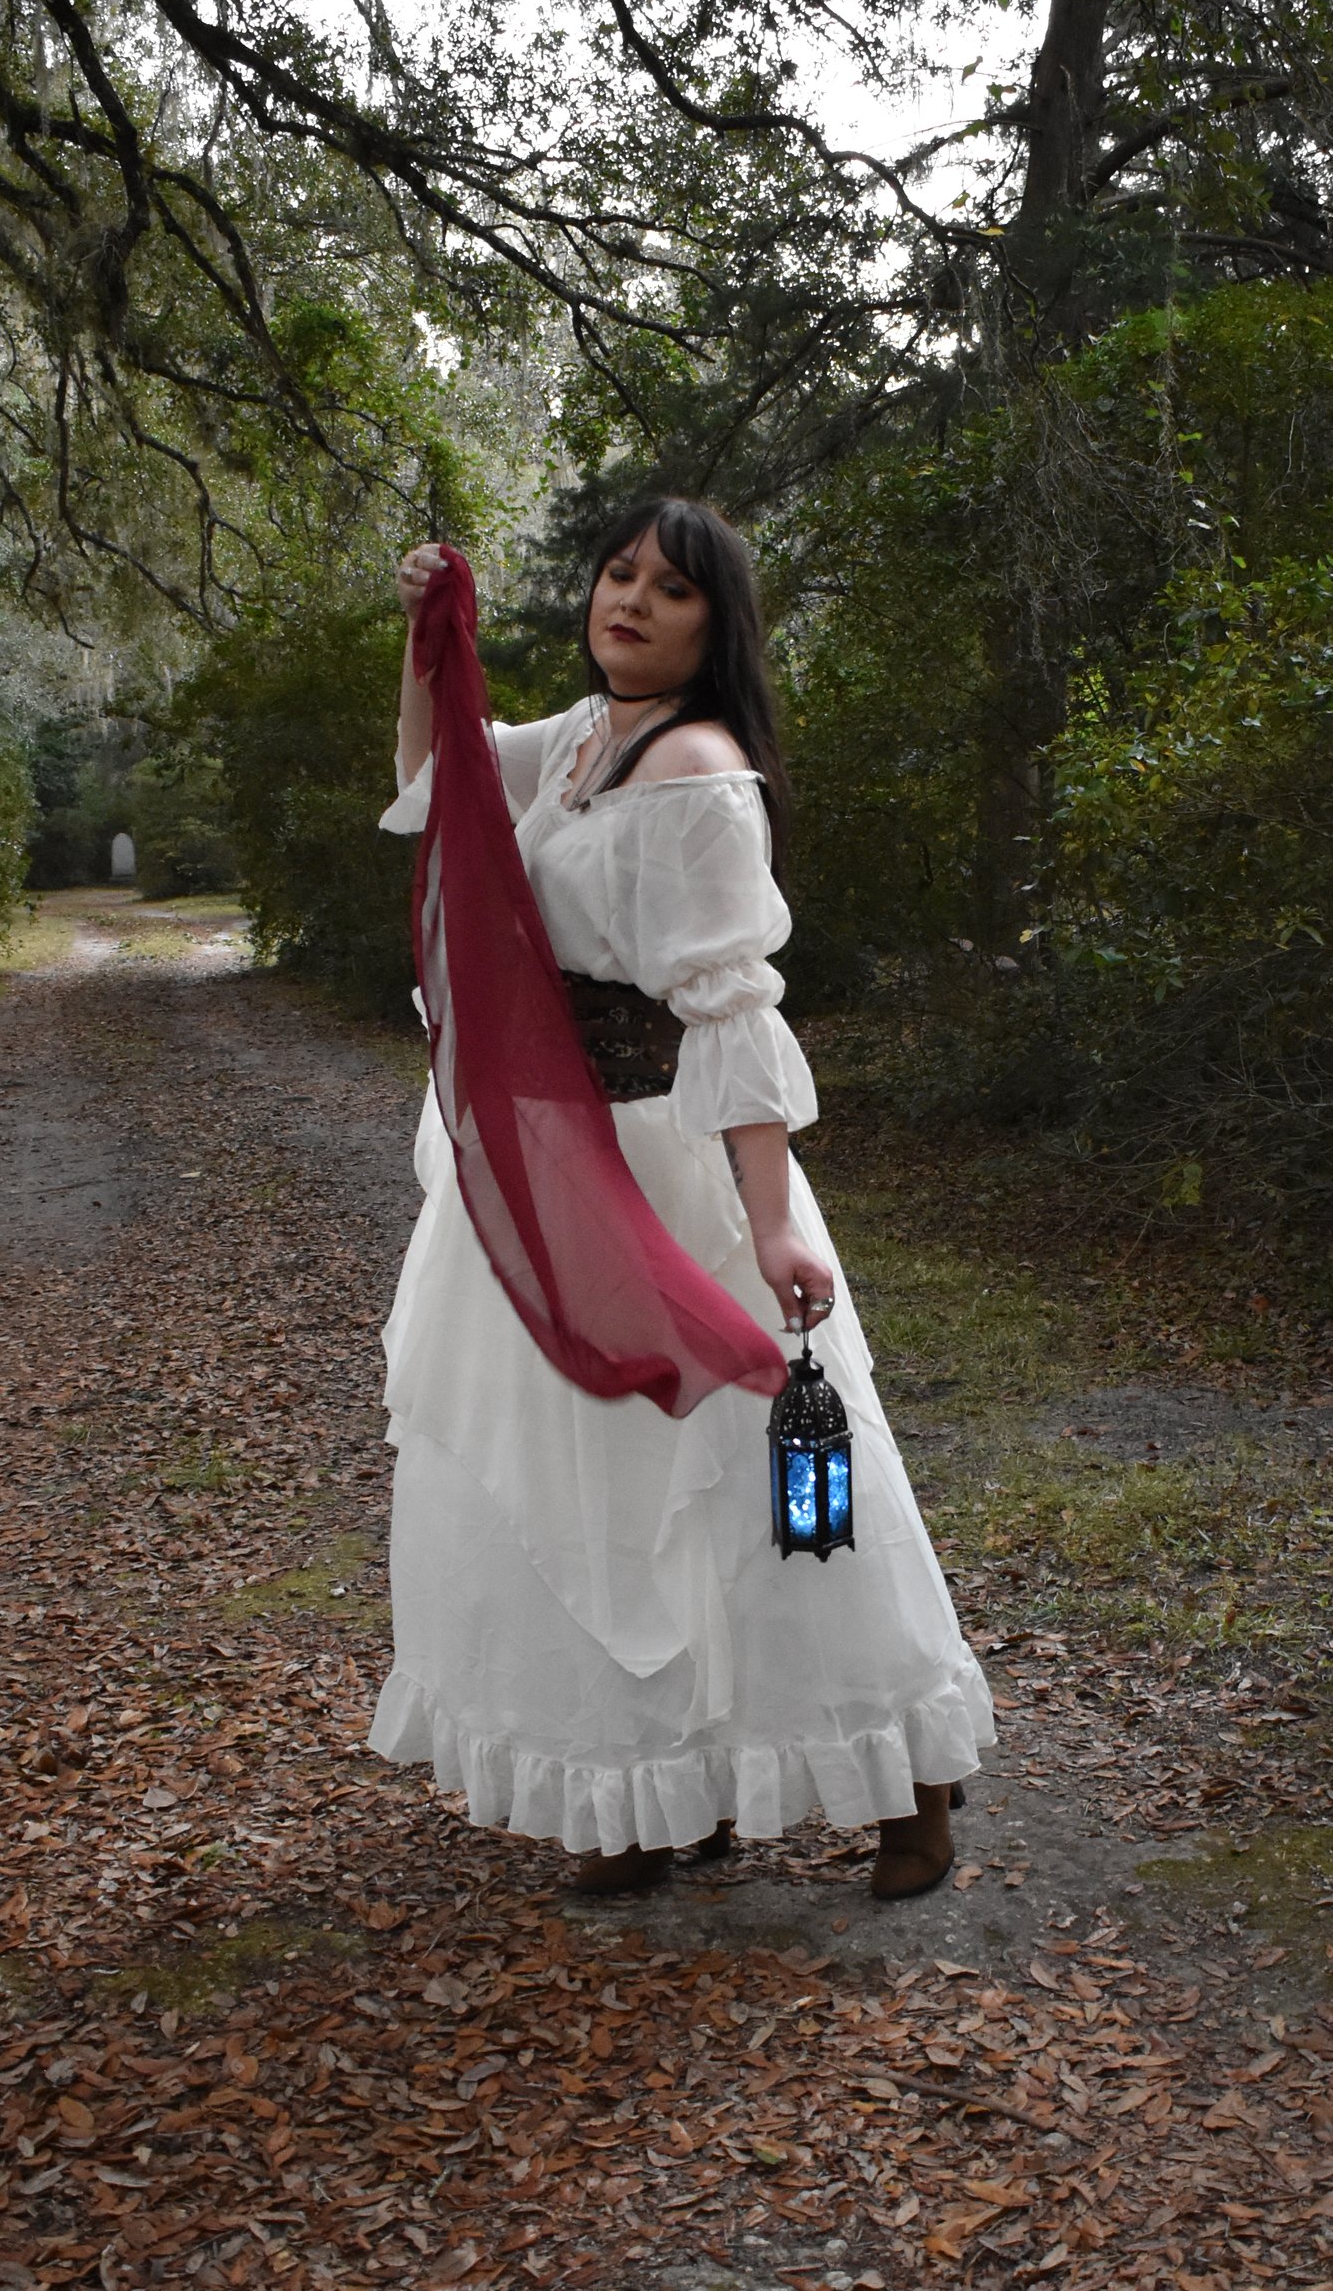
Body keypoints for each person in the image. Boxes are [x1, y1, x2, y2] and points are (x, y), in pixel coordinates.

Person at [368, 497, 995, 1900]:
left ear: (717, 626)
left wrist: (769, 1220)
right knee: (593, 1487)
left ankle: (909, 1781)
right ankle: (661, 1790)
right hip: (547, 1177)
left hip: (671, 1161)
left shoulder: (698, 772)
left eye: (670, 588)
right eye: (617, 574)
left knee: (762, 1487)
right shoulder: (577, 741)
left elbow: (731, 1009)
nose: (631, 601)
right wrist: (428, 639)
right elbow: (438, 780)